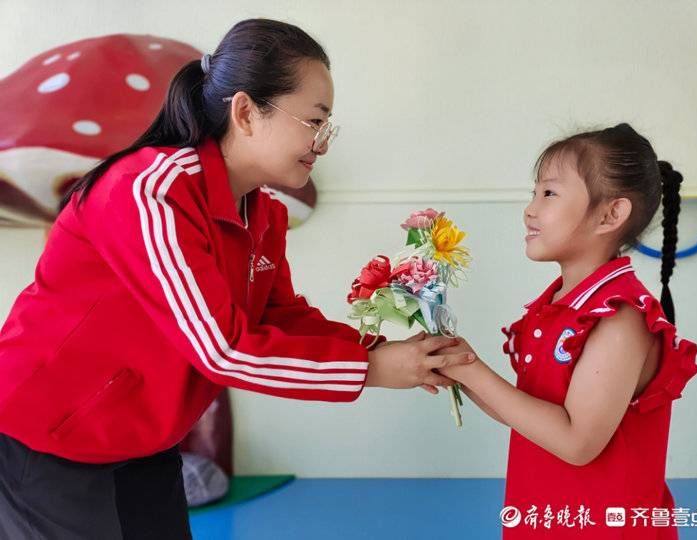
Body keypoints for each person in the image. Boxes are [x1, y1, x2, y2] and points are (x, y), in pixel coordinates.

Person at [0, 19, 473, 539]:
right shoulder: (151, 193)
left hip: (144, 446)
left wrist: (393, 350)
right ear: (246, 112)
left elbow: (282, 317)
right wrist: (372, 369)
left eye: (327, 126)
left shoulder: (262, 213)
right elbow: (221, 351)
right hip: (45, 442)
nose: (323, 142)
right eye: (315, 121)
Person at [436, 123, 697, 538]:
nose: (530, 209)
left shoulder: (619, 318)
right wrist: (456, 366)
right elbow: (529, 414)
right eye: (534, 193)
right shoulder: (558, 305)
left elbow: (577, 442)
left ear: (611, 214)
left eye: (549, 193)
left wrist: (471, 370)